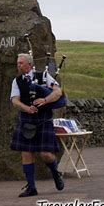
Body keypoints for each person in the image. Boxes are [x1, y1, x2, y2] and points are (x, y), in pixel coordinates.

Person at [10, 53, 64, 197]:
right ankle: (31, 187)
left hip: (44, 119)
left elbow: (58, 92)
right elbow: (15, 100)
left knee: (46, 154)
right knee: (26, 153)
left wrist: (45, 100)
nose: (18, 65)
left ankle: (55, 173)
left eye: (21, 63)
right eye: (17, 63)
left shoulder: (44, 76)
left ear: (29, 64)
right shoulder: (17, 81)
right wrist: (26, 108)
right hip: (27, 120)